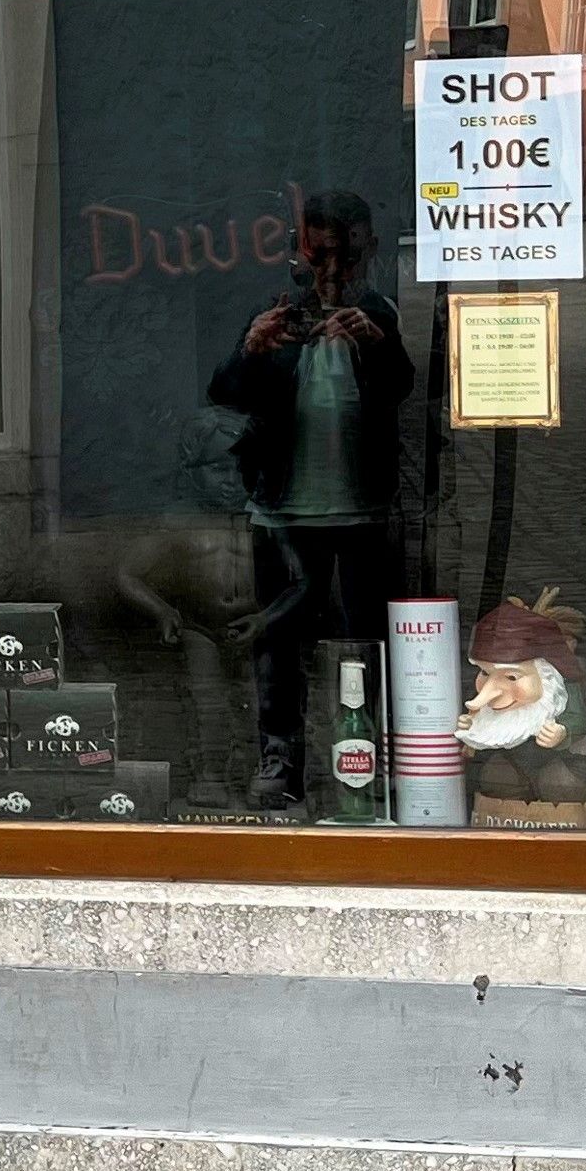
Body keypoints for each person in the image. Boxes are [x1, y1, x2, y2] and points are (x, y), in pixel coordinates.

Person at [203, 190, 412, 810]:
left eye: (342, 258)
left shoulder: (379, 311)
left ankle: (368, 758)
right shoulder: (276, 309)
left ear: (367, 252)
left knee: (364, 639)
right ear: (301, 251)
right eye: (317, 255)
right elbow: (226, 392)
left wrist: (375, 341)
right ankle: (281, 759)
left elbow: (405, 391)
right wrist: (252, 350)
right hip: (281, 511)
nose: (329, 271)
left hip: (362, 509)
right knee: (278, 645)